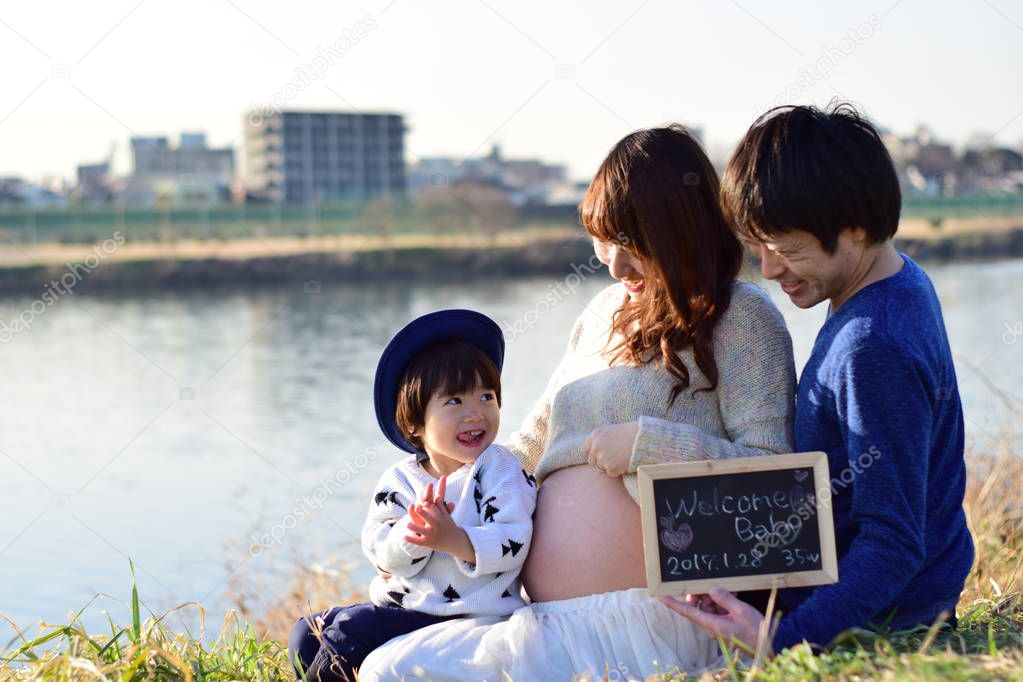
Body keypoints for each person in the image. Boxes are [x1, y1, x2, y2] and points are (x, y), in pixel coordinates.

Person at [357, 125, 797, 681]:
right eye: (603, 241)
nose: (615, 265)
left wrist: (649, 445)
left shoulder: (743, 319)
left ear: (684, 232)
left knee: (394, 674)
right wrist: (434, 479)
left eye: (634, 246)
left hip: (654, 617)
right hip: (542, 613)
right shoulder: (600, 314)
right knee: (377, 665)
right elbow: (529, 442)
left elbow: (781, 488)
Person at [663, 103, 975, 655]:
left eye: (784, 247)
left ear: (853, 227)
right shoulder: (895, 280)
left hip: (890, 614)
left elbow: (893, 541)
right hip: (879, 586)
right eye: (755, 246)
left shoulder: (872, 344)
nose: (769, 268)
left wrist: (780, 638)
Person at [288, 310, 537, 680]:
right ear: (415, 424)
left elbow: (514, 537)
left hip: (467, 613)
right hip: (406, 607)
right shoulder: (400, 481)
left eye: (486, 396)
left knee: (342, 639)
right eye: (454, 401)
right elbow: (379, 550)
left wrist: (456, 539)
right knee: (305, 635)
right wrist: (413, 535)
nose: (475, 414)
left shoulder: (498, 469)